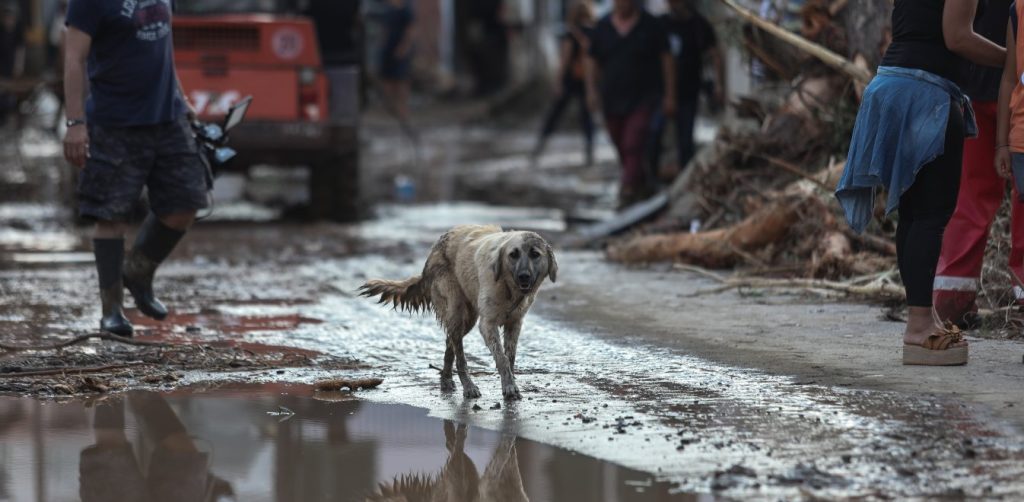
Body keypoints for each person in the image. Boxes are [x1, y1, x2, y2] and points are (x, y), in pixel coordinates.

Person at [835, 0, 1004, 366]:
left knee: (913, 214)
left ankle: (922, 317)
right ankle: (918, 327)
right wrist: (1014, 58)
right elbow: (957, 37)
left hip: (892, 84)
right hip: (925, 95)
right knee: (930, 215)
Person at [64, 0, 210, 337]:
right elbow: (73, 58)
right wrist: (75, 123)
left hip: (168, 117)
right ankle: (111, 310)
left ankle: (138, 272)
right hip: (116, 121)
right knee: (110, 215)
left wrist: (181, 97)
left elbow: (162, 50)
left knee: (185, 202)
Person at [935, 0, 1018, 329]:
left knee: (970, 198)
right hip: (1007, 90)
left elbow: (953, 33)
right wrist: (1012, 60)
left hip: (978, 86)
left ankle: (951, 302)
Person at [586, 0, 675, 208]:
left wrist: (670, 94)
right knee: (621, 145)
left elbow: (667, 59)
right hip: (612, 99)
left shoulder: (651, 25)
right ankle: (641, 182)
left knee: (633, 142)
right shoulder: (603, 27)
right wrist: (591, 91)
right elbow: (591, 60)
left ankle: (627, 190)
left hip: (643, 98)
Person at [649, 0, 725, 181]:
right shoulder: (660, 24)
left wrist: (718, 85)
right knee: (653, 136)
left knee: (685, 140)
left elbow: (715, 54)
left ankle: (686, 180)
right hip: (659, 93)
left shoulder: (699, 25)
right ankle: (652, 180)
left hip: (689, 91)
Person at [530, 1, 595, 167]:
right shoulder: (591, 34)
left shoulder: (572, 35)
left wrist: (558, 82)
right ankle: (589, 152)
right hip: (583, 80)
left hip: (571, 80)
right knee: (586, 117)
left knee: (556, 114)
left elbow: (564, 61)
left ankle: (539, 148)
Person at [376, 0, 414, 121]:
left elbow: (411, 29)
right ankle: (390, 107)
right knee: (387, 78)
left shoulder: (406, 9)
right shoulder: (387, 9)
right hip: (388, 47)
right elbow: (385, 28)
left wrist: (404, 47)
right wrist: (382, 44)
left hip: (400, 47)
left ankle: (402, 108)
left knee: (401, 79)